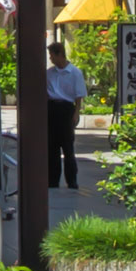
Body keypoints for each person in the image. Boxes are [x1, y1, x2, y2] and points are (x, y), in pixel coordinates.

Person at [44, 41, 88, 190]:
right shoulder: (49, 73)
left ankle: (72, 180)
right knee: (52, 147)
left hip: (66, 109)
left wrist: (76, 113)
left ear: (59, 55)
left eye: (52, 56)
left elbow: (78, 96)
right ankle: (52, 180)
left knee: (68, 146)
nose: (50, 59)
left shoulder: (75, 72)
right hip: (51, 108)